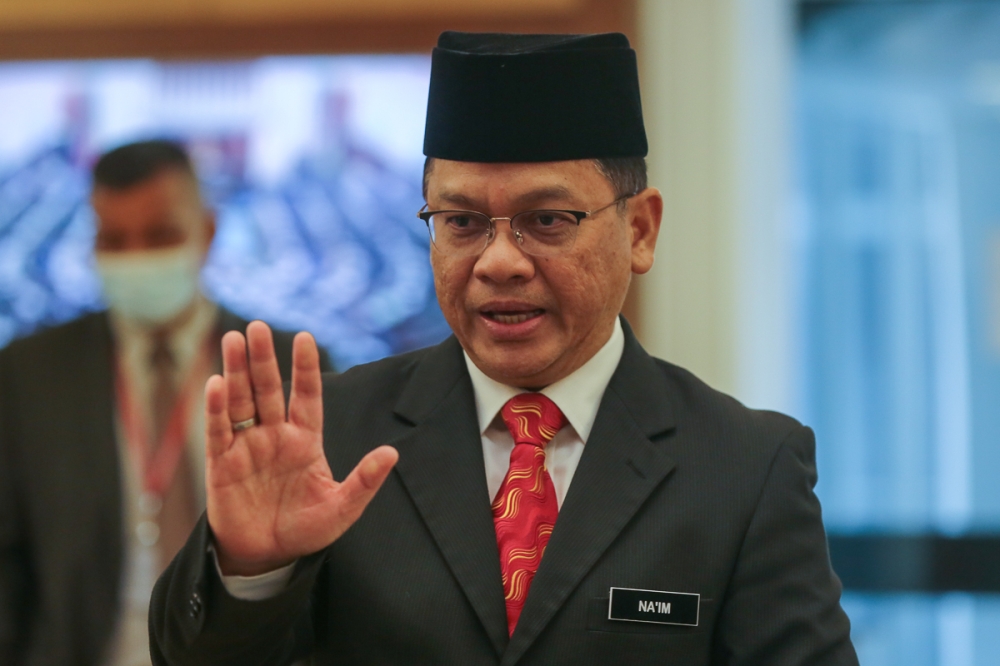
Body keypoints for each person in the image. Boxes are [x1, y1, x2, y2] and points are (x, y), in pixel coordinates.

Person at [149, 33, 859, 665]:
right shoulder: (332, 438)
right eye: (461, 222)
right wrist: (251, 570)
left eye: (546, 220)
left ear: (639, 230)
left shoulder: (743, 468)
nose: (497, 263)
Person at [0, 140, 332, 666]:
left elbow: (325, 566)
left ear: (207, 232)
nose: (136, 259)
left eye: (159, 236)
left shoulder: (291, 367)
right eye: (114, 240)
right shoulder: (30, 372)